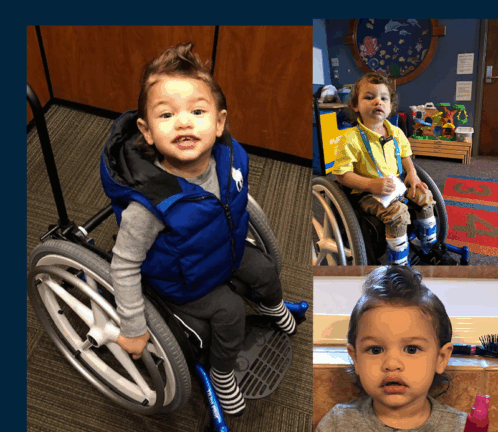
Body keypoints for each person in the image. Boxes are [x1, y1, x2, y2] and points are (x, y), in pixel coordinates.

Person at [99, 42, 297, 417]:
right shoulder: (150, 206)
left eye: (197, 111)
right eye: (167, 114)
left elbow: (238, 205)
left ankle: (273, 306)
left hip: (227, 249)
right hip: (183, 279)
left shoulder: (229, 157)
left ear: (219, 122)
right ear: (147, 131)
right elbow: (123, 265)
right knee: (230, 311)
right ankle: (222, 373)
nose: (184, 121)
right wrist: (133, 326)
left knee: (267, 270)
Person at [316, 266, 467, 431]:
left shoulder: (461, 427)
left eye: (411, 349)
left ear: (441, 358)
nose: (392, 364)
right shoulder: (337, 424)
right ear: (356, 359)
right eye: (375, 350)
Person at [332, 73, 455, 265]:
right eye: (369, 97)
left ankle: (430, 247)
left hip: (396, 185)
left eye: (383, 98)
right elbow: (342, 175)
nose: (377, 102)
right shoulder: (349, 139)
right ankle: (398, 264)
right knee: (397, 213)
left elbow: (405, 155)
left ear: (390, 107)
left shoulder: (396, 132)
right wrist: (371, 185)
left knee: (424, 195)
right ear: (355, 105)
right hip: (366, 193)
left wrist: (412, 175)